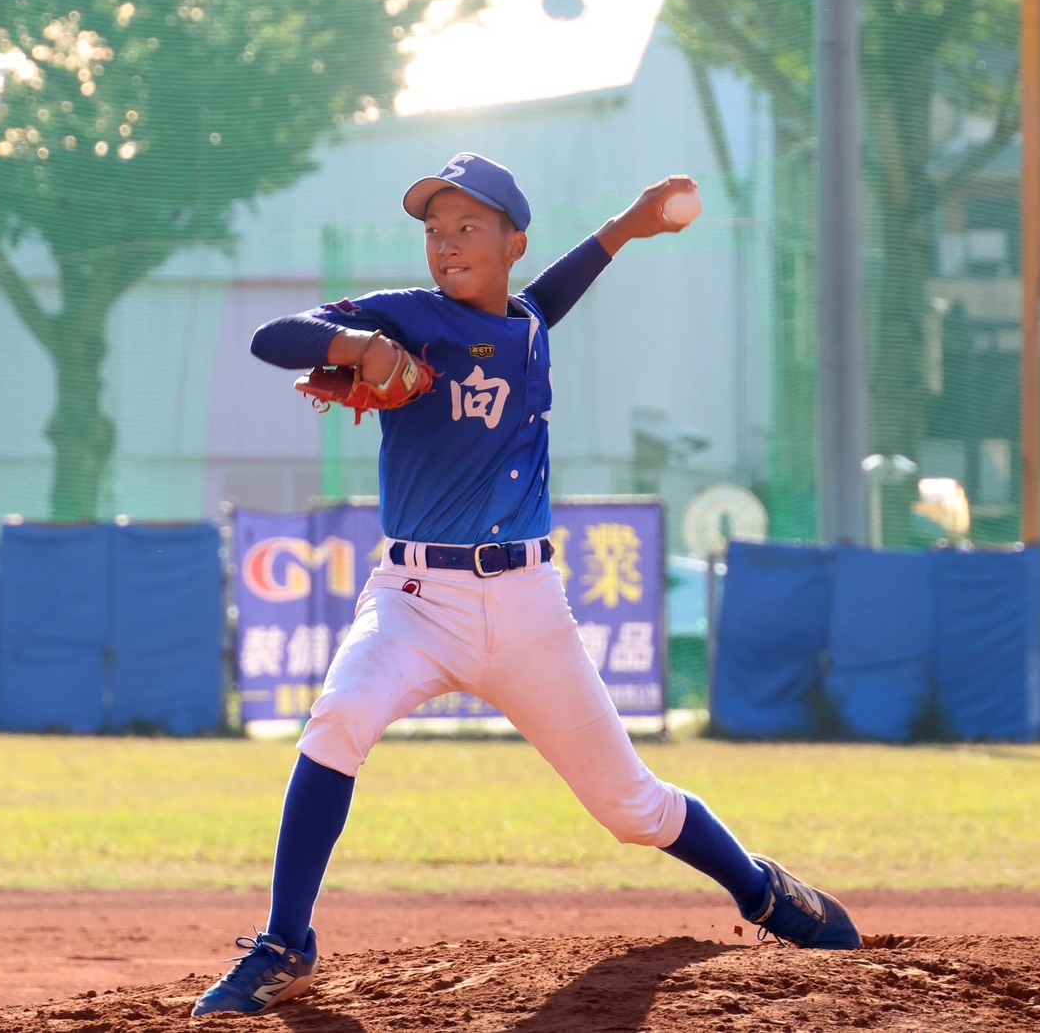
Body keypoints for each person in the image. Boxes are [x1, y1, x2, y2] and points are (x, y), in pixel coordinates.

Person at [193, 152, 861, 1018]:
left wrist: (629, 223)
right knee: (338, 719)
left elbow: (550, 294)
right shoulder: (410, 317)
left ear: (513, 242)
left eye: (467, 227)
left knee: (630, 806)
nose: (445, 244)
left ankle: (760, 891)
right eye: (434, 231)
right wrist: (354, 344)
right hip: (414, 602)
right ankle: (287, 942)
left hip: (529, 608)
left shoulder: (531, 322)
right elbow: (270, 338)